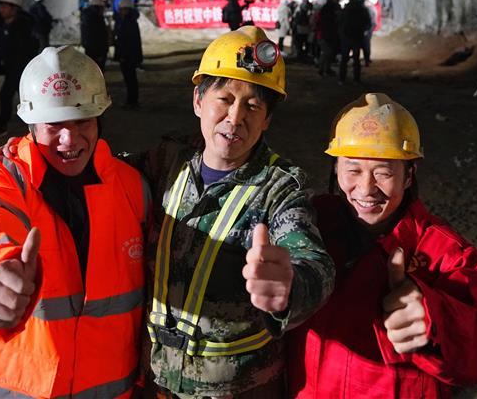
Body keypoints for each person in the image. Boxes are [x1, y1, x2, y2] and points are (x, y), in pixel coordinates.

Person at [125, 26, 335, 398]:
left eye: (253, 106)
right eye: (224, 98)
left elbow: (313, 261)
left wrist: (290, 287)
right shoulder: (166, 161)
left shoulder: (281, 188)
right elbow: (100, 175)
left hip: (238, 390)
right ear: (198, 101)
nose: (235, 117)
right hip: (157, 383)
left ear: (267, 119)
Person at [0, 45, 147, 399]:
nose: (69, 140)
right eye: (53, 125)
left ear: (99, 118)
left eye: (81, 121)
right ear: (31, 123)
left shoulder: (132, 188)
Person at [288, 93, 477, 397]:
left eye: (384, 172)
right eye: (353, 169)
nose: (366, 189)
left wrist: (435, 319)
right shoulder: (309, 227)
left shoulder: (448, 254)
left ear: (408, 175)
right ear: (335, 169)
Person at [0, 0, 39, 137]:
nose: (1, 9)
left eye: (5, 6)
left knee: (17, 96)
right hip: (11, 68)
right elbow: (0, 46)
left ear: (14, 8)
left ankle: (38, 125)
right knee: (11, 95)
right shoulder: (2, 25)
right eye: (1, 5)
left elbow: (32, 48)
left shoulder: (25, 26)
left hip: (23, 69)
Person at [114, 0, 143, 108]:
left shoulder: (129, 23)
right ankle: (131, 100)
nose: (122, 12)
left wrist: (124, 56)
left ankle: (132, 101)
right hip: (126, 56)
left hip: (128, 56)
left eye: (124, 9)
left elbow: (129, 42)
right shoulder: (124, 21)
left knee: (130, 79)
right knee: (129, 79)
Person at [338, 0, 370, 85]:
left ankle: (342, 79)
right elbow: (367, 22)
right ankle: (356, 79)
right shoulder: (362, 10)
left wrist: (342, 33)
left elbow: (339, 22)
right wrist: (363, 31)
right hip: (357, 36)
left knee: (344, 59)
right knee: (356, 59)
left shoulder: (345, 10)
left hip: (346, 37)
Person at [80, 0, 111, 70]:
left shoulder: (88, 17)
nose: (103, 10)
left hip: (90, 50)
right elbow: (98, 37)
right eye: (102, 8)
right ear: (97, 8)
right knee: (97, 71)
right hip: (96, 51)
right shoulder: (96, 20)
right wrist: (101, 52)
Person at [314, 0, 340, 78]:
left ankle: (326, 69)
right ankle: (321, 70)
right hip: (324, 35)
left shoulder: (327, 9)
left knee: (328, 53)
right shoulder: (327, 10)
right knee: (326, 53)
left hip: (326, 34)